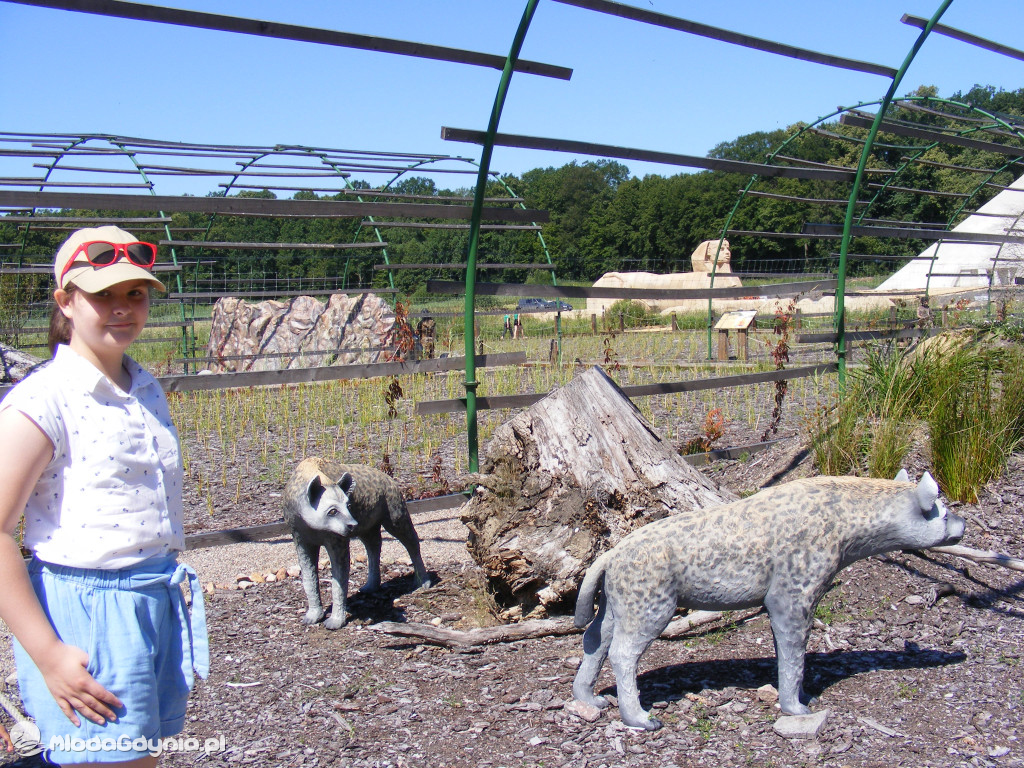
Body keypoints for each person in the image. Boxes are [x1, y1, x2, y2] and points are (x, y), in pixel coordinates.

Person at [0, 226, 208, 766]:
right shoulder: (44, 400)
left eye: (134, 294)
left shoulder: (144, 386)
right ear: (66, 301)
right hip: (90, 612)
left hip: (152, 596)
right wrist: (48, 655)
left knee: (140, 756)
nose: (122, 308)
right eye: (103, 295)